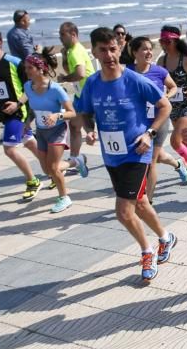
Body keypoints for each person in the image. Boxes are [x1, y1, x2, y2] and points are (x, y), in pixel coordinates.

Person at [75, 27, 177, 282]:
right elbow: (84, 113)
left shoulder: (134, 80)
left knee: (123, 211)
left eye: (113, 49)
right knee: (140, 203)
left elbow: (165, 105)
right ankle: (166, 238)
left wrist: (149, 135)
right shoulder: (92, 84)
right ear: (94, 52)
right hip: (112, 155)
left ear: (119, 48)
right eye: (103, 50)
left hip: (136, 152)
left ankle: (147, 251)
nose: (109, 54)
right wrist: (89, 130)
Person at [0, 28, 46, 200]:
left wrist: (18, 103)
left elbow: (32, 86)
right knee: (31, 144)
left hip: (19, 112)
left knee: (9, 149)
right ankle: (53, 171)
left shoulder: (14, 62)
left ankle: (32, 181)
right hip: (3, 114)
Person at [16, 48, 84, 213]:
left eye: (29, 68)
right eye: (25, 68)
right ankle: (75, 162)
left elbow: (71, 112)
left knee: (53, 168)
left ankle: (64, 198)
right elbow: (32, 109)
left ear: (40, 69)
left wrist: (57, 116)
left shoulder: (55, 89)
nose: (26, 71)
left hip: (57, 131)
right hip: (40, 131)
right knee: (47, 170)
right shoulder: (28, 86)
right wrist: (27, 123)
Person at [128, 36, 187, 202]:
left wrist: (165, 97)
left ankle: (149, 199)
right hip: (137, 121)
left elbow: (173, 86)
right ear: (135, 52)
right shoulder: (127, 71)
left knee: (151, 161)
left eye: (150, 49)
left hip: (158, 119)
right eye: (144, 49)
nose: (149, 52)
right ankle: (178, 164)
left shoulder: (159, 71)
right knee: (153, 155)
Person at [158, 25, 187, 177]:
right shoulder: (161, 61)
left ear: (176, 41)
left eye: (168, 41)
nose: (165, 44)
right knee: (184, 140)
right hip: (172, 107)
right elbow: (157, 81)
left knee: (175, 141)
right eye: (162, 41)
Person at [57, 22, 95, 161]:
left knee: (81, 126)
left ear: (73, 34)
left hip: (88, 94)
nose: (60, 38)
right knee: (74, 126)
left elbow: (80, 74)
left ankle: (75, 159)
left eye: (63, 35)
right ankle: (74, 159)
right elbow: (70, 70)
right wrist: (65, 56)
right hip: (81, 94)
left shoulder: (76, 51)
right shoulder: (72, 51)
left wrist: (64, 78)